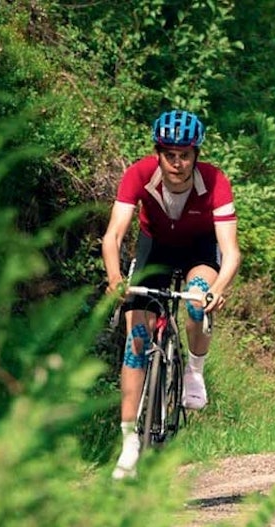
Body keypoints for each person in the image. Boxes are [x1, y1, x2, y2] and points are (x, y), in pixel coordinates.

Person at [101, 109, 240, 480]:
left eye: (185, 156)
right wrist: (115, 277)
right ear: (157, 153)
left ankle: (194, 371)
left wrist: (217, 290)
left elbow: (231, 250)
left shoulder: (214, 181)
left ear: (196, 156)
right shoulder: (139, 174)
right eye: (169, 155)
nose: (177, 163)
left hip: (198, 251)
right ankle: (130, 442)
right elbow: (114, 235)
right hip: (155, 249)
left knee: (196, 301)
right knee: (137, 340)